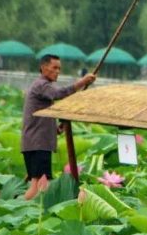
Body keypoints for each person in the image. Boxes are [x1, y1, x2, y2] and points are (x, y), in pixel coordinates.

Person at [21, 54, 96, 200]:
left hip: (35, 142)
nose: (57, 71)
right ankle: (25, 212)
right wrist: (82, 82)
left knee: (37, 184)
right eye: (54, 67)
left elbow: (39, 118)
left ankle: (26, 212)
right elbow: (59, 93)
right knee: (39, 186)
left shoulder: (42, 88)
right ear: (43, 68)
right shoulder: (41, 85)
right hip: (38, 144)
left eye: (59, 68)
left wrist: (55, 129)